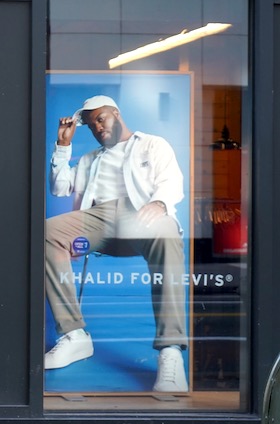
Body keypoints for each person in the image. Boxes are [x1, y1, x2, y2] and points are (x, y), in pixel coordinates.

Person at [44, 95, 188, 392]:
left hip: (142, 214)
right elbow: (59, 187)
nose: (97, 127)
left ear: (116, 114)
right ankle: (74, 335)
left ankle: (170, 351)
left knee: (166, 230)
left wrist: (160, 203)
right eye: (91, 124)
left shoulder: (152, 144)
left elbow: (171, 180)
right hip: (99, 218)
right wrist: (63, 146)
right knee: (47, 231)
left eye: (101, 118)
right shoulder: (90, 159)